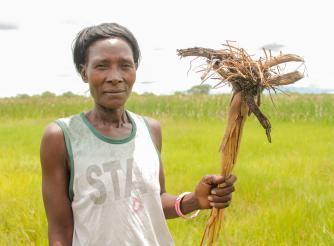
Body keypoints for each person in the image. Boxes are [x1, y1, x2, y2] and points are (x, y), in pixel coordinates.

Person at [40, 22, 237, 246]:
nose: (115, 76)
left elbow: (155, 201)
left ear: (134, 69)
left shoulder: (150, 129)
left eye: (125, 65)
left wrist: (194, 200)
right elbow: (60, 230)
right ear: (84, 72)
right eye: (102, 66)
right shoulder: (61, 137)